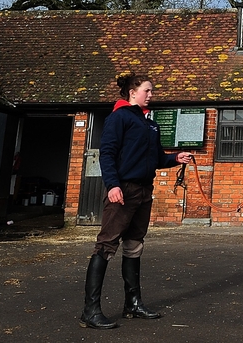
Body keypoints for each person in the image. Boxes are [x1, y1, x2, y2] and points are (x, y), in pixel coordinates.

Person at [80, 73, 193, 330]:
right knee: (106, 246)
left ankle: (132, 304)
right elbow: (107, 153)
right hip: (124, 191)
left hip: (144, 192)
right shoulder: (118, 118)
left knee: (134, 245)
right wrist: (113, 185)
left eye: (151, 91)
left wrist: (176, 158)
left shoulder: (150, 125)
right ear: (133, 93)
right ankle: (90, 311)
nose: (151, 95)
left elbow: (154, 159)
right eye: (147, 91)